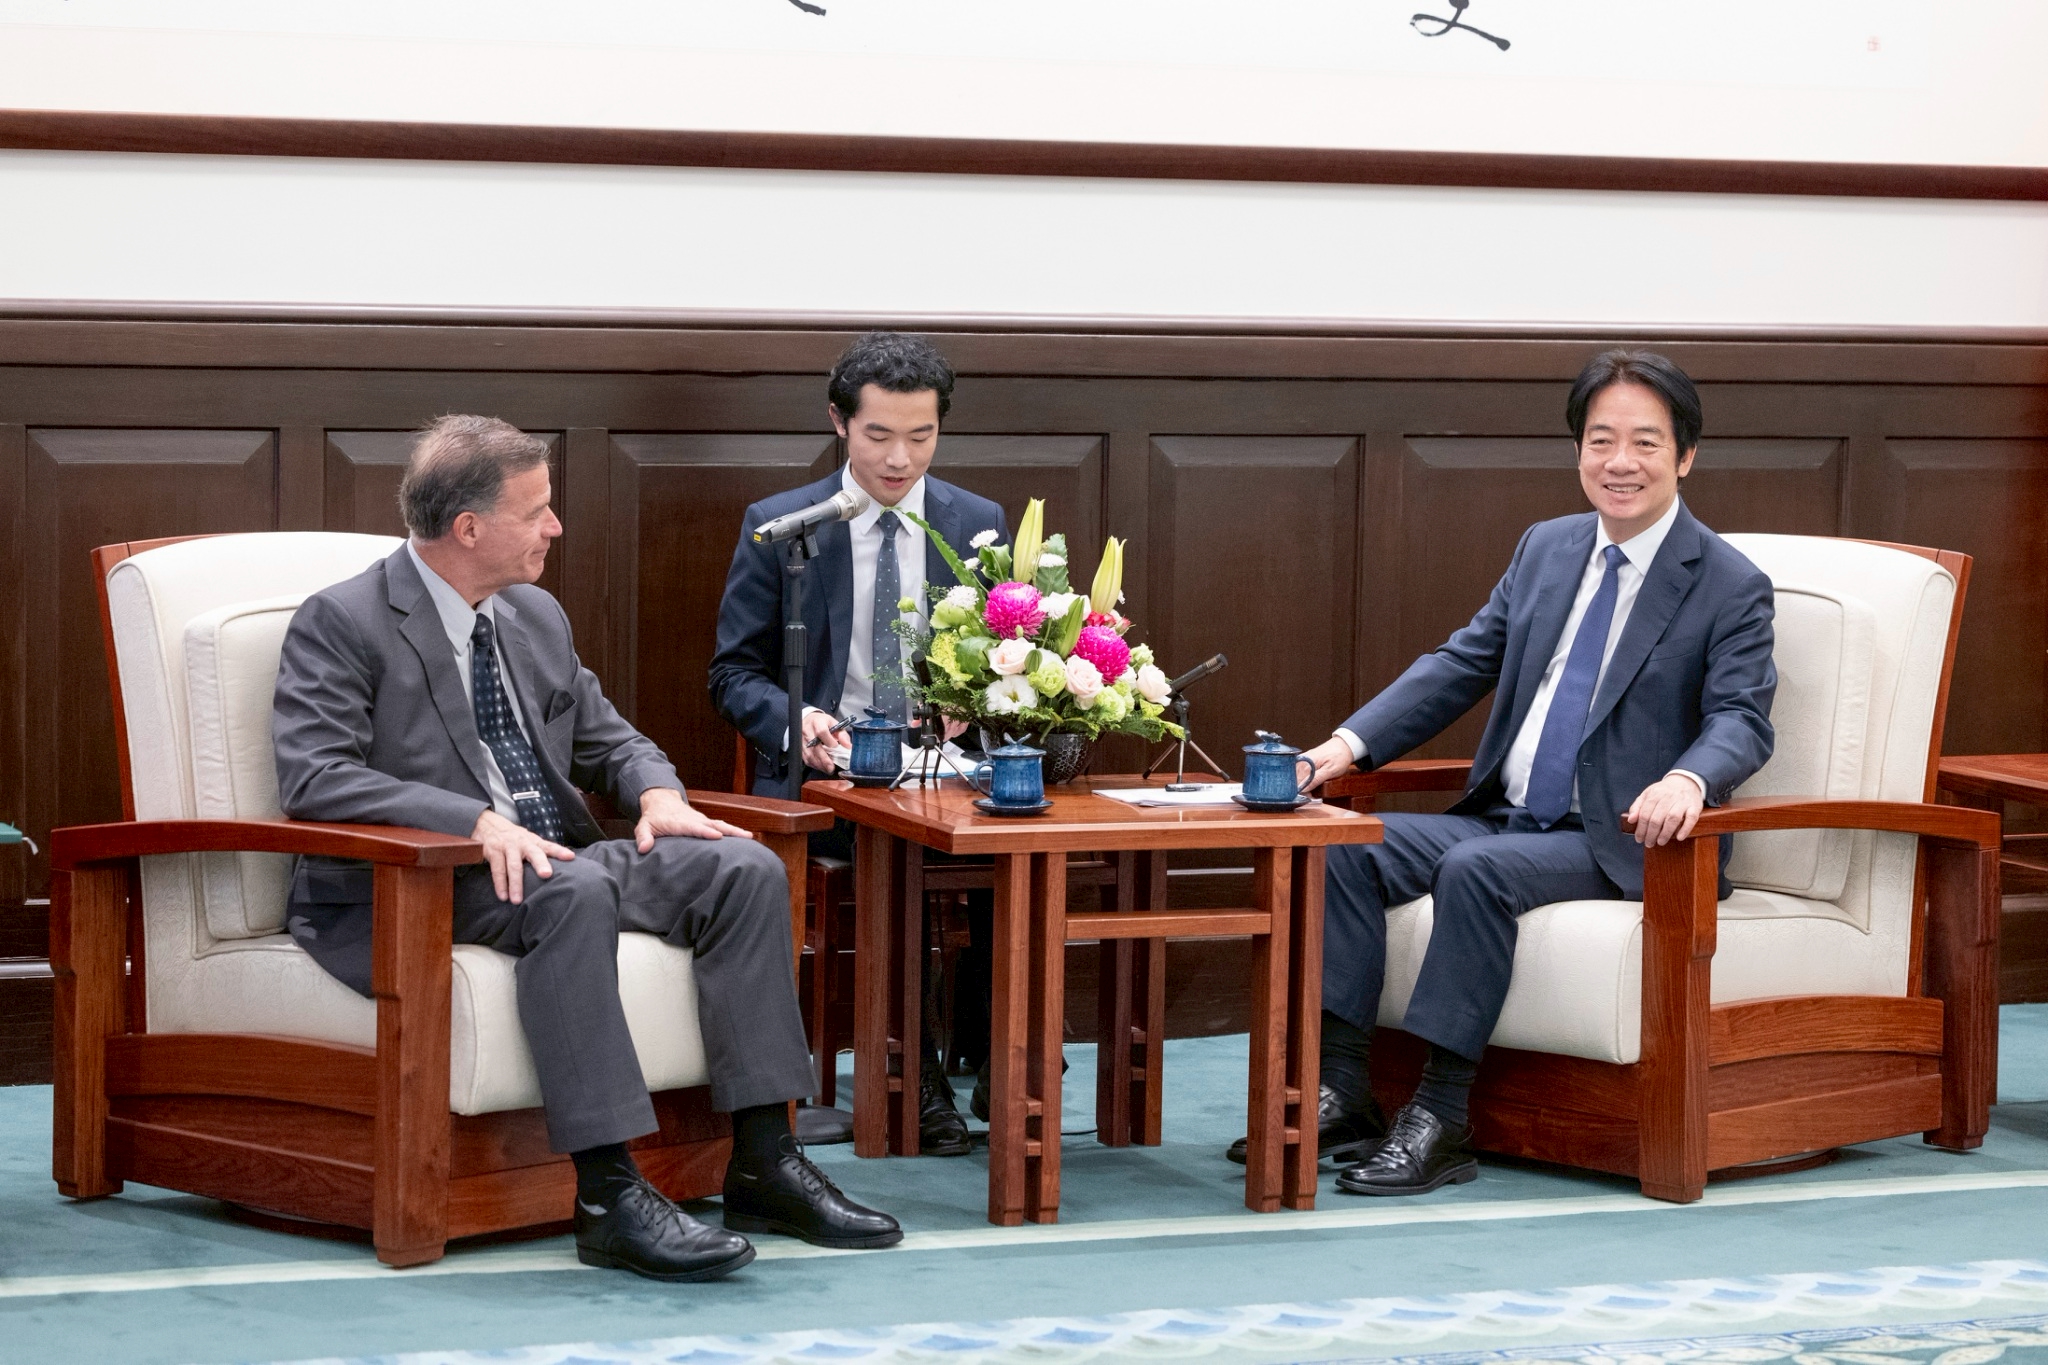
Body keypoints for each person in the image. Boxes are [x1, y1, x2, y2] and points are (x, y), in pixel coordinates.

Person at [273, 414, 902, 1283]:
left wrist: (657, 792)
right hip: (416, 881)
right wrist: (469, 819)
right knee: (573, 890)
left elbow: (608, 738)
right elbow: (315, 775)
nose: (556, 526)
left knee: (743, 867)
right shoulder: (343, 619)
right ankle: (609, 1196)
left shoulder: (532, 614)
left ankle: (764, 1160)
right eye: (537, 511)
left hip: (553, 859)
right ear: (469, 528)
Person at [1240, 350, 1776, 1196]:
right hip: (1508, 815)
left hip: (1620, 838)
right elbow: (1460, 664)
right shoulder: (1547, 547)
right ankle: (1343, 1088)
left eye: (1645, 442)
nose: (1620, 462)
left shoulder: (1729, 583)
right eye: (1601, 440)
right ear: (1578, 450)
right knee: (1341, 843)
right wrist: (1344, 747)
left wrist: (1689, 780)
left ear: (1685, 457)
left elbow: (1741, 715)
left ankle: (1440, 1116)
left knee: (1475, 869)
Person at [710, 332, 1008, 1155]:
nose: (899, 459)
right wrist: (794, 718)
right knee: (897, 849)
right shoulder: (783, 526)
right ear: (839, 422)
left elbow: (1004, 655)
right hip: (830, 778)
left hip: (944, 769)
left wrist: (973, 700)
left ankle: (1003, 1050)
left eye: (921, 435)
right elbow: (731, 673)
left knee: (1019, 839)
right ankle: (914, 1077)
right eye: (879, 435)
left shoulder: (977, 524)